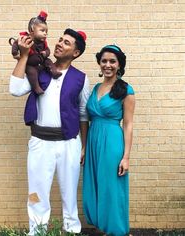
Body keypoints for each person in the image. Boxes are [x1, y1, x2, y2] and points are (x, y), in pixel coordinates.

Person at [9, 28, 89, 235]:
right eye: (60, 39)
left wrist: (83, 146)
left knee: (69, 192)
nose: (60, 43)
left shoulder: (81, 78)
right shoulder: (38, 70)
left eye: (67, 43)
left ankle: (72, 230)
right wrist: (24, 57)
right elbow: (15, 89)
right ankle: (37, 231)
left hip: (69, 143)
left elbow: (83, 114)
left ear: (76, 53)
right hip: (39, 142)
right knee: (37, 191)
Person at [82, 45, 135, 236]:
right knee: (95, 184)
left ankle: (118, 231)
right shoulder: (96, 88)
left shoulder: (126, 90)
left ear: (119, 64)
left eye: (112, 61)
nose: (108, 65)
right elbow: (86, 119)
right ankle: (103, 228)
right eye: (104, 61)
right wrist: (84, 147)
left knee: (111, 187)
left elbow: (128, 124)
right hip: (94, 142)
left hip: (112, 142)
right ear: (99, 63)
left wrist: (126, 157)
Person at [9, 10, 62, 95]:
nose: (45, 34)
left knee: (48, 61)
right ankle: (36, 87)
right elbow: (15, 44)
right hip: (30, 64)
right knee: (31, 72)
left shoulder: (43, 43)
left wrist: (45, 53)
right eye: (42, 30)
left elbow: (47, 50)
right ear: (32, 30)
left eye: (46, 32)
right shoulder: (25, 39)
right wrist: (15, 53)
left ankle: (54, 72)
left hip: (41, 61)